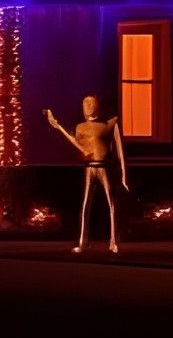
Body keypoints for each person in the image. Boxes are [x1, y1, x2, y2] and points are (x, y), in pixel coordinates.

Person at [44, 96, 127, 253]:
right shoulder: (80, 127)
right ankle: (83, 242)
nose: (88, 105)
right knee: (85, 205)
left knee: (111, 205)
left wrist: (123, 176)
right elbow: (77, 143)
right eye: (85, 103)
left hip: (103, 167)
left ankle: (113, 242)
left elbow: (120, 152)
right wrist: (58, 127)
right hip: (89, 168)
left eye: (91, 102)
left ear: (98, 105)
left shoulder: (109, 125)